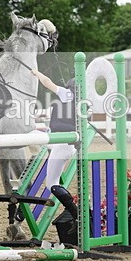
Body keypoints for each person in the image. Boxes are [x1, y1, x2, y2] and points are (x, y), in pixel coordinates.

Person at [30, 68, 81, 232]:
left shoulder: (67, 94)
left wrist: (37, 73)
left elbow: (47, 83)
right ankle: (34, 148)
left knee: (51, 183)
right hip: (65, 144)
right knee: (32, 133)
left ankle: (77, 215)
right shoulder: (83, 102)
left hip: (62, 145)